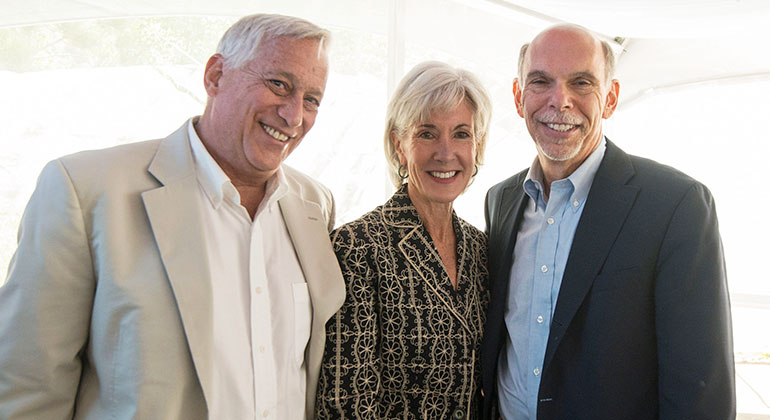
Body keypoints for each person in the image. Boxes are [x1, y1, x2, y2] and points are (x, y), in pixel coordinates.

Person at [0, 13, 345, 420]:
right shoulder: (84, 189)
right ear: (215, 76)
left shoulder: (314, 205)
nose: (294, 115)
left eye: (312, 99)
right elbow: (28, 389)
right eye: (279, 84)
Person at [481, 24, 735, 420]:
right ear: (518, 97)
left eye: (581, 82)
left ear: (611, 97)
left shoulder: (675, 205)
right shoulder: (500, 201)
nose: (559, 100)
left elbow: (700, 388)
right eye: (540, 81)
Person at [315, 61, 492, 420]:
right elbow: (346, 404)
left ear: (477, 146)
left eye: (461, 134)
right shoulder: (358, 246)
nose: (446, 152)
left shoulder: (481, 248)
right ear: (399, 145)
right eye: (427, 133)